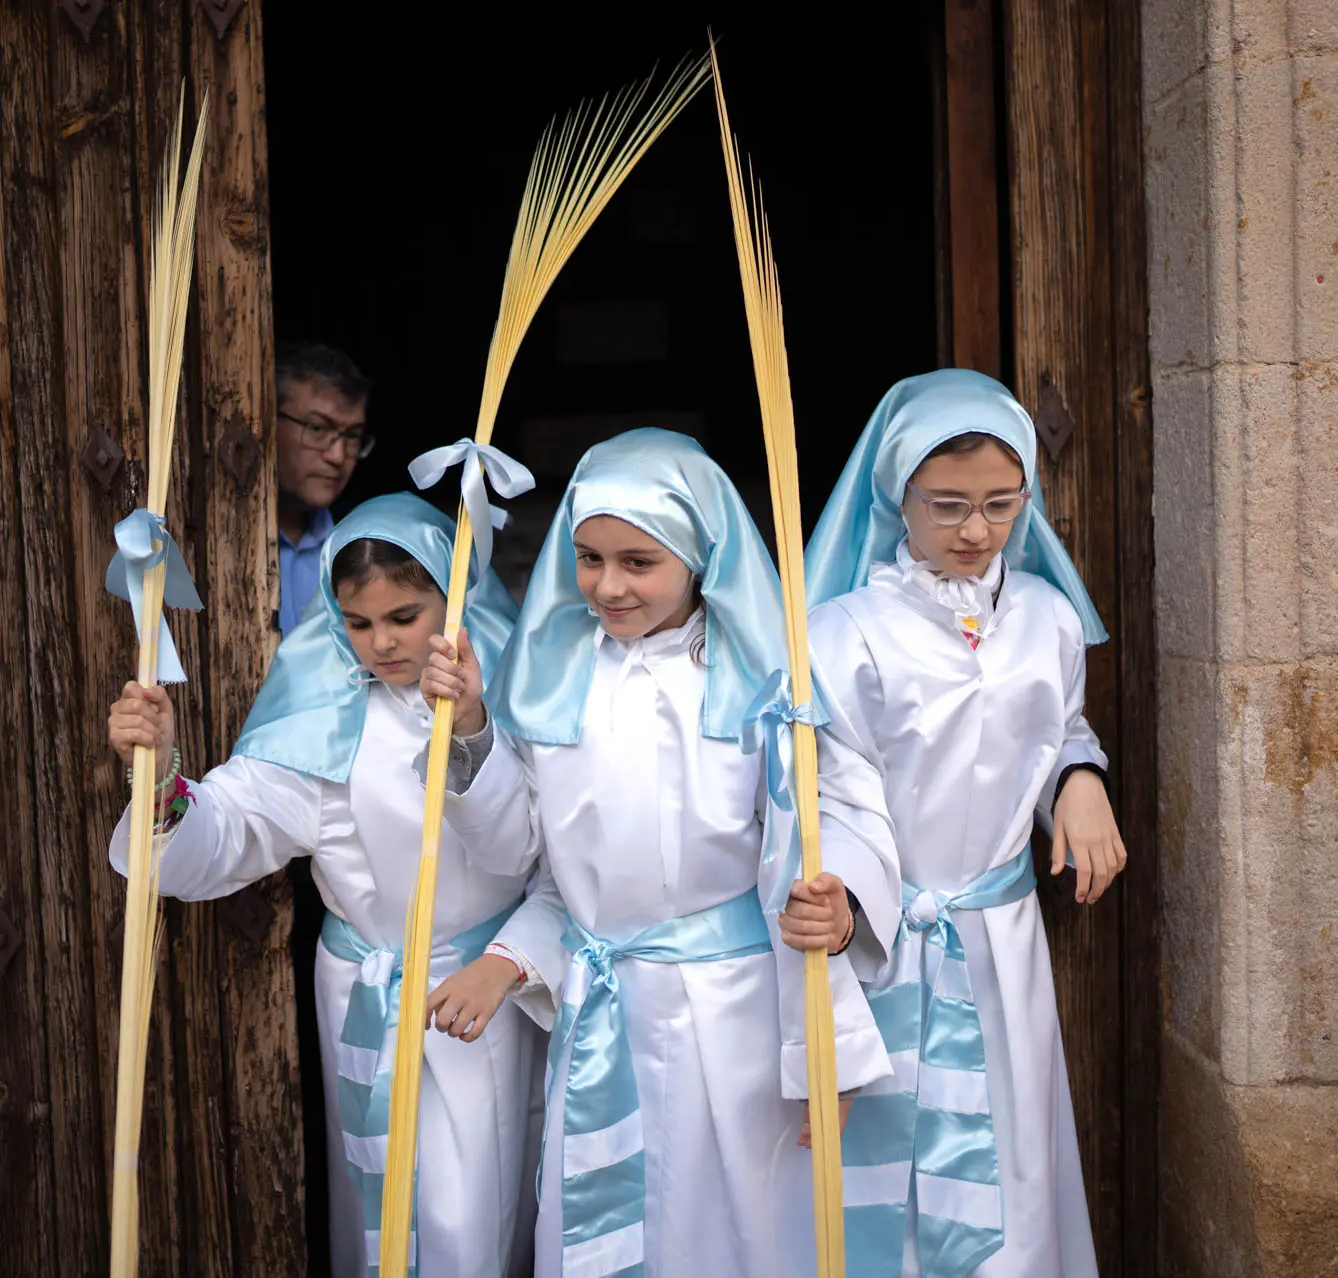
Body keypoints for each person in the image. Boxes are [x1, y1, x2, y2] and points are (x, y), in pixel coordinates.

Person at [423, 428, 898, 1278]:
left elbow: (830, 819)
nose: (608, 586)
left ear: (698, 552)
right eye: (588, 558)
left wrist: (843, 907)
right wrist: (467, 732)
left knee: (742, 1230)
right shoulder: (554, 675)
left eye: (638, 561)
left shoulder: (766, 684)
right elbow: (526, 853)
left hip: (740, 1015)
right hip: (607, 1006)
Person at [106, 493, 553, 1278]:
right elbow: (232, 829)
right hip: (363, 991)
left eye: (405, 617)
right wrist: (165, 770)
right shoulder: (319, 709)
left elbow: (527, 852)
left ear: (454, 602)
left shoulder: (523, 694)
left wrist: (474, 724)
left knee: (475, 1213)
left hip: (478, 990)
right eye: (356, 623)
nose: (380, 643)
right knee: (375, 1213)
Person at [776, 369, 1127, 1277]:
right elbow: (832, 792)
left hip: (1001, 945)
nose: (975, 530)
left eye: (1001, 505)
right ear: (899, 498)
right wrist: (846, 902)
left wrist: (1078, 778)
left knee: (1006, 1158)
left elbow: (1054, 727)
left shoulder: (1047, 618)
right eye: (947, 506)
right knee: (882, 1182)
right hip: (885, 942)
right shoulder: (843, 634)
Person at [275, 341, 373, 633]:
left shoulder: (362, 551)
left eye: (353, 436)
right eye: (317, 429)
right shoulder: (203, 548)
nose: (338, 456)